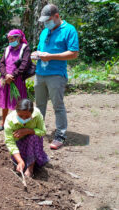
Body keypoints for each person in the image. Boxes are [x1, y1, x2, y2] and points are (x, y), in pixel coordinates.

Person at [32, 4, 79, 150]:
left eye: (48, 20)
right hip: (40, 74)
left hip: (56, 75)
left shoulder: (69, 30)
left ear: (57, 16)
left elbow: (73, 53)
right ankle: (38, 130)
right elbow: (41, 50)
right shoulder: (45, 32)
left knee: (57, 105)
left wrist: (51, 56)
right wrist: (36, 55)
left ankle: (60, 135)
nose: (46, 23)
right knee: (39, 105)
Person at [0, 29, 32, 131]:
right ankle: (3, 123)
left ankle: (19, 124)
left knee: (18, 102)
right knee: (5, 102)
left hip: (17, 80)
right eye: (9, 39)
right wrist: (6, 75)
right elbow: (2, 63)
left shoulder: (25, 49)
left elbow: (24, 64)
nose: (11, 41)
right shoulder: (7, 49)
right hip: (5, 79)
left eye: (12, 39)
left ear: (19, 38)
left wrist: (13, 76)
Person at [4, 99, 49, 177]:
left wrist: (28, 131)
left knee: (33, 137)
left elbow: (43, 131)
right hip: (18, 145)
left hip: (34, 144)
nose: (24, 118)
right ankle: (23, 160)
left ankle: (30, 168)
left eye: (27, 116)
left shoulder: (37, 114)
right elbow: (10, 143)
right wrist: (20, 161)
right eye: (20, 116)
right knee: (20, 162)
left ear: (31, 113)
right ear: (16, 112)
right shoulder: (10, 120)